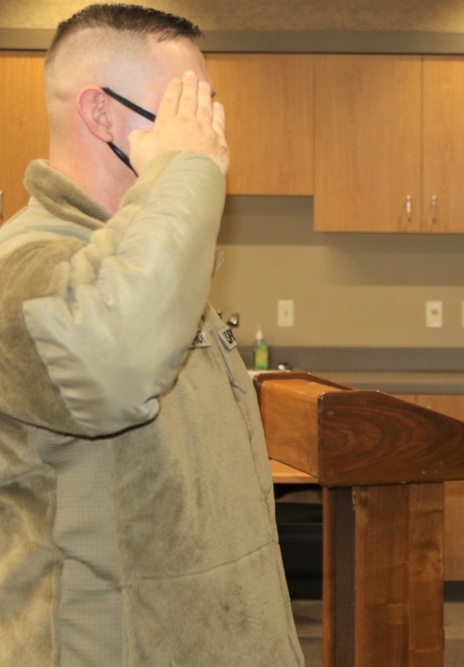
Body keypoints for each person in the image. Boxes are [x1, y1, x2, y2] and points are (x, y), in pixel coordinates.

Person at [0, 4, 304, 665]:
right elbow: (107, 365)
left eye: (210, 106)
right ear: (100, 114)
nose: (208, 132)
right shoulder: (23, 267)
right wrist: (186, 173)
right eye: (181, 108)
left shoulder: (156, 260)